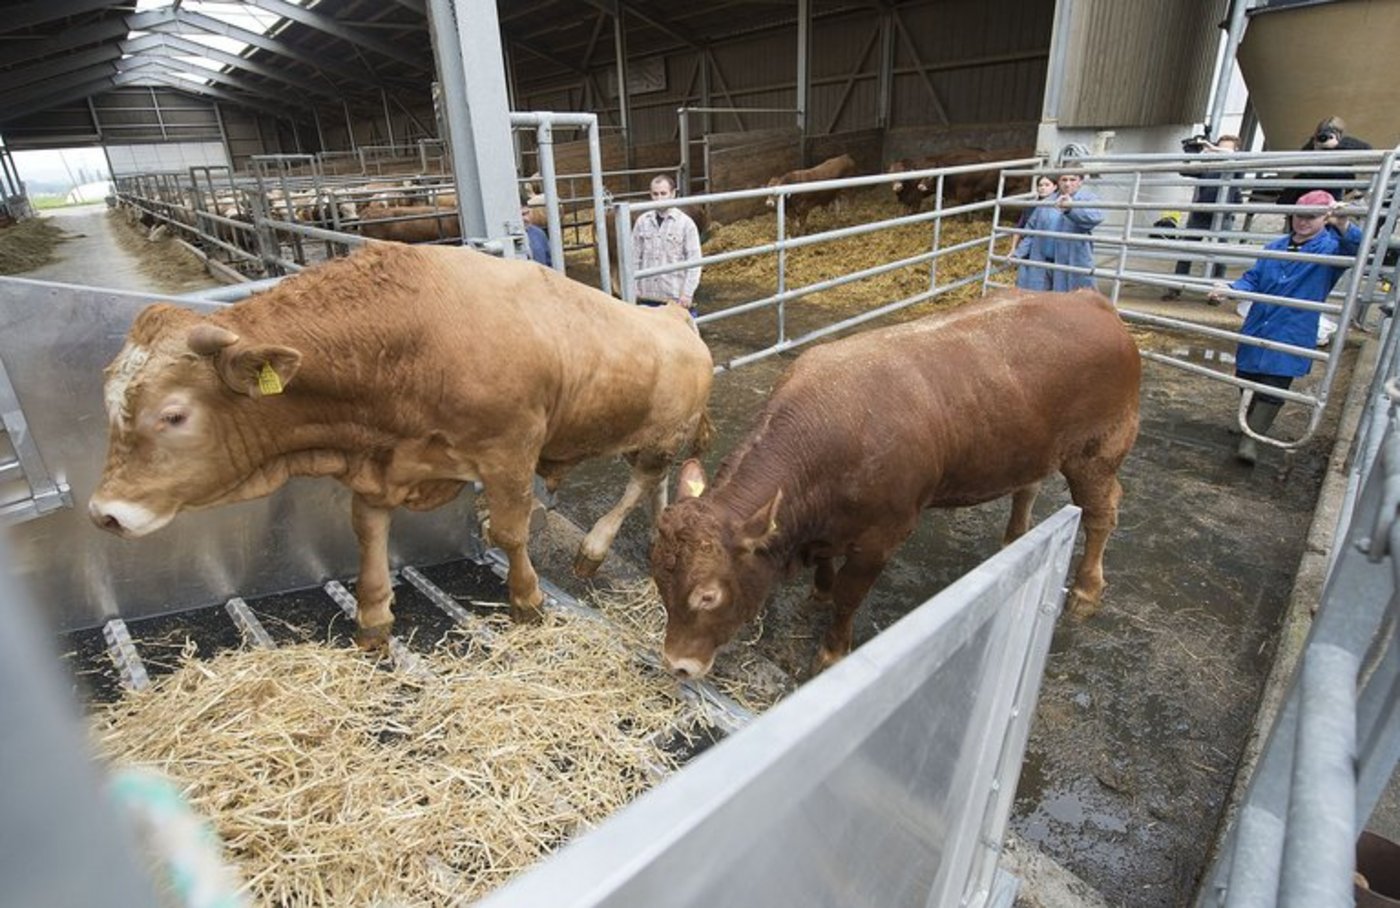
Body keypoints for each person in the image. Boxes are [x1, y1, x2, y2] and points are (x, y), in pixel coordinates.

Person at [1206, 189, 1362, 464]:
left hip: (1293, 327)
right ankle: (1248, 422)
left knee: (1275, 383)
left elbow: (1358, 249)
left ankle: (1251, 439)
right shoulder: (1274, 247)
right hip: (1260, 322)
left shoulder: (1331, 249)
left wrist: (1343, 223)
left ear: (1325, 218)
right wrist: (1230, 289)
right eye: (1299, 216)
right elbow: (1253, 278)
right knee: (1247, 376)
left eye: (1311, 217)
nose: (1302, 222)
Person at [1162, 135, 1242, 300]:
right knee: (1188, 250)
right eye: (1219, 147)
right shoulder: (1209, 167)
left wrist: (1213, 149)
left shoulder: (1239, 165)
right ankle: (1176, 287)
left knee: (1219, 257)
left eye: (1226, 149)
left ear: (1236, 151)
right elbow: (1184, 170)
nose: (1220, 152)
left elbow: (1231, 156)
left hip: (1223, 215)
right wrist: (1192, 154)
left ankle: (1218, 293)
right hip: (1201, 213)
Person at [631, 173, 702, 316]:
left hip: (674, 298)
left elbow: (695, 261)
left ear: (673, 194)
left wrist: (687, 294)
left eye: (663, 193)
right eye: (655, 194)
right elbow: (633, 257)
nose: (659, 198)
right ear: (650, 195)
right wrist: (633, 288)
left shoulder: (686, 224)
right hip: (647, 296)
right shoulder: (642, 221)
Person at [1277, 115, 1373, 205]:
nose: (1325, 136)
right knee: (1298, 182)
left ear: (1339, 133)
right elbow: (1301, 160)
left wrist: (1338, 145)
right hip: (1314, 179)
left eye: (1332, 132)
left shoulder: (1346, 142)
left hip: (1338, 181)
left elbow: (1368, 149)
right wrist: (1316, 147)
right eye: (1322, 132)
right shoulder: (1314, 142)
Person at [1048, 167, 1104, 292]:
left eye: (1073, 179)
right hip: (1050, 256)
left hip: (1077, 253)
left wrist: (1071, 209)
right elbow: (1033, 226)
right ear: (1058, 182)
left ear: (1080, 182)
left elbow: (1096, 216)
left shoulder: (1088, 198)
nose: (1068, 184)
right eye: (1064, 179)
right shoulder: (1050, 200)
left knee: (1082, 292)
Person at [1012, 174, 1058, 291]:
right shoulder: (1030, 206)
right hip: (1028, 250)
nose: (1043, 188)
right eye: (1040, 185)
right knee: (1022, 284)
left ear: (1055, 187)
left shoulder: (1058, 206)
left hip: (1046, 252)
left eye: (1047, 185)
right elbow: (1019, 228)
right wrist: (1013, 249)